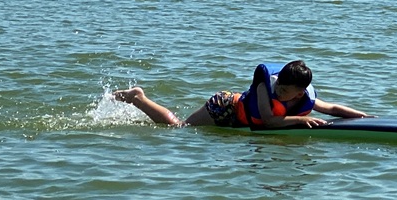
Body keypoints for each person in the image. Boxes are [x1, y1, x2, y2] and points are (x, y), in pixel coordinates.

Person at [114, 60, 371, 128]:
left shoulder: (304, 97)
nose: (279, 91)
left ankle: (138, 98)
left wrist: (363, 117)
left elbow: (332, 109)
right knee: (179, 128)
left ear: (299, 93)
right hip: (224, 106)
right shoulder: (264, 87)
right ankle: (139, 98)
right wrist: (302, 120)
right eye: (279, 87)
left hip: (238, 117)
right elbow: (268, 120)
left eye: (285, 91)